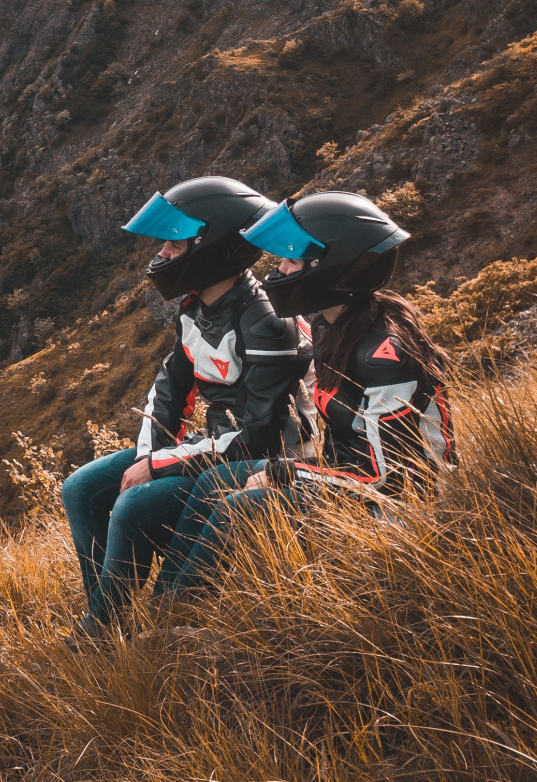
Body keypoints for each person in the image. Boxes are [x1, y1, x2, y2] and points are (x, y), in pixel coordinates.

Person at [153, 190, 453, 596]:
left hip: (400, 511)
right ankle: (166, 601)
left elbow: (391, 479)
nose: (278, 270)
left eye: (291, 260)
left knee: (237, 506)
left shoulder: (385, 357)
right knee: (216, 480)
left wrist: (287, 472)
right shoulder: (337, 328)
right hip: (348, 483)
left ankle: (180, 609)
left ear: (334, 269)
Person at [60, 177, 310, 643]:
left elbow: (261, 436)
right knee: (80, 488)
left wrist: (160, 464)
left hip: (247, 459)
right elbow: (169, 389)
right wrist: (146, 454)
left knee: (133, 502)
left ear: (213, 247)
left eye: (175, 246)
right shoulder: (196, 307)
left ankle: (101, 632)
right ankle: (109, 618)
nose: (163, 256)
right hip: (208, 448)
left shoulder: (267, 324)